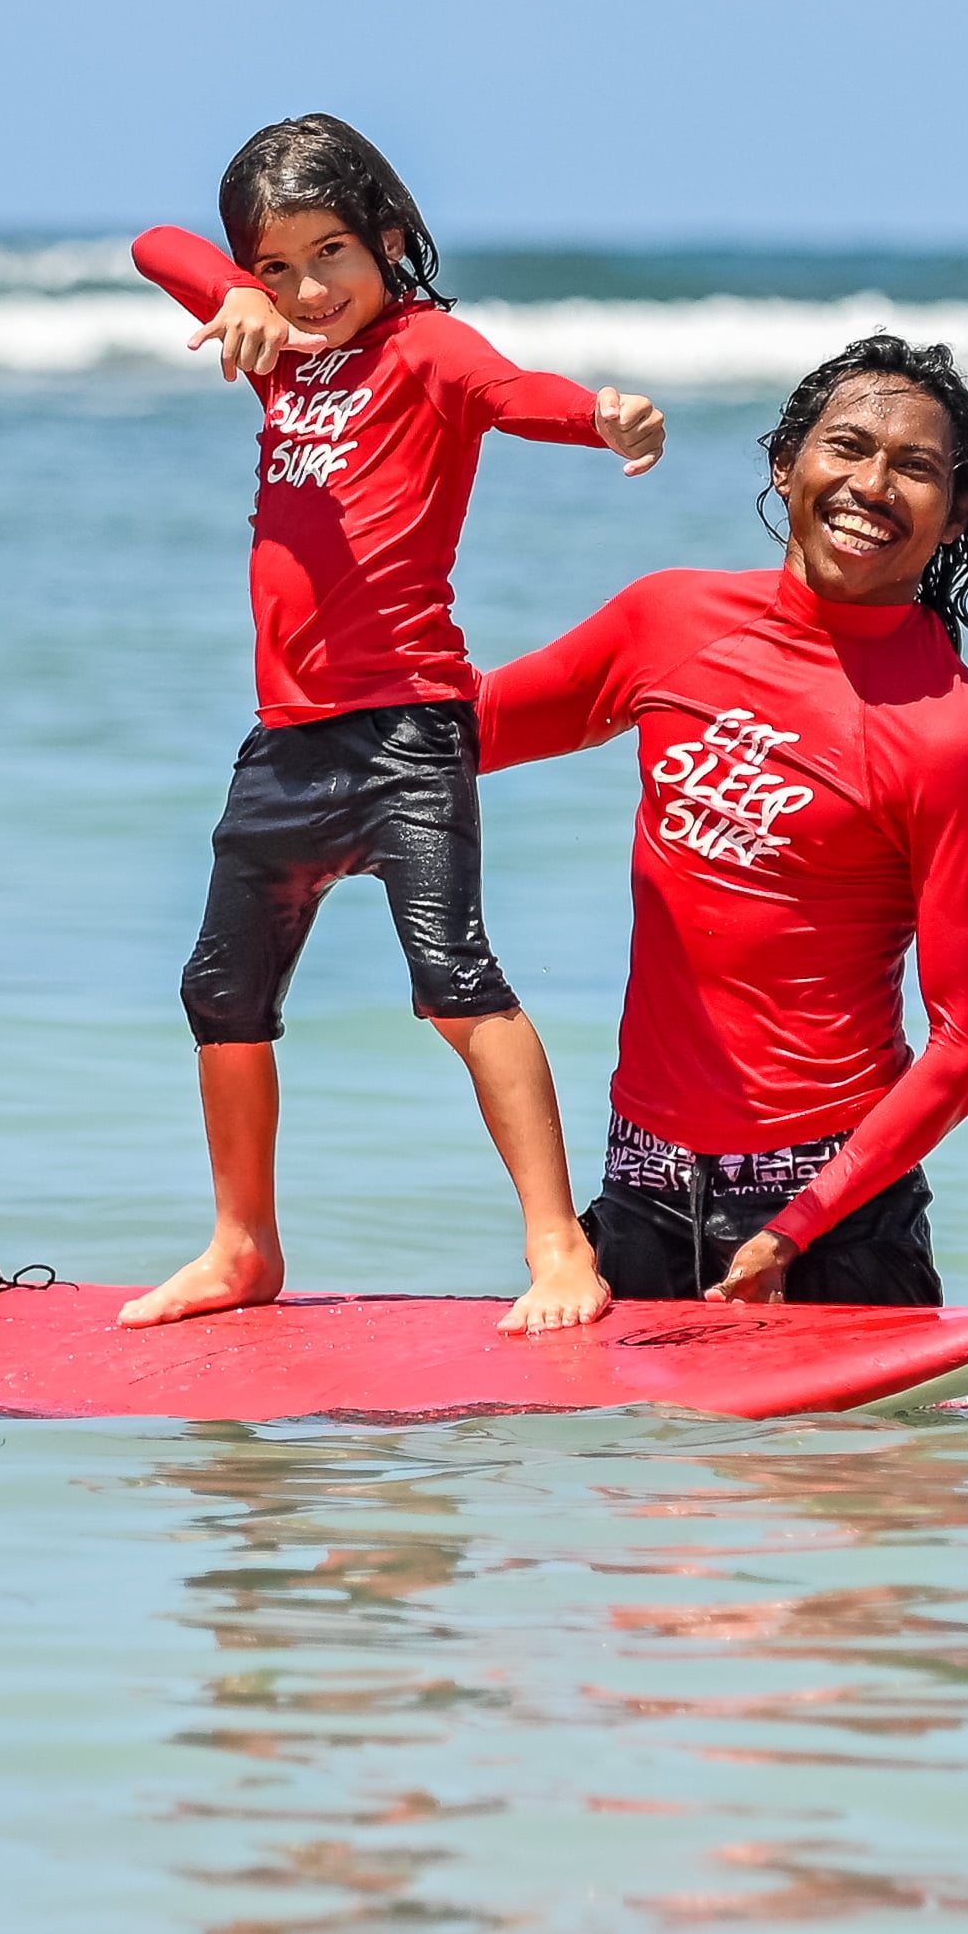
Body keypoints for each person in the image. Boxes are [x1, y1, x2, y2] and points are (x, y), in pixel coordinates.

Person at [121, 113, 665, 1336]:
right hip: (285, 740)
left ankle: (558, 1243)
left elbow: (513, 392)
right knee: (222, 990)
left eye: (333, 255)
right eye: (276, 266)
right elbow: (157, 243)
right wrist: (231, 298)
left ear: (394, 242)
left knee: (458, 983)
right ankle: (242, 1244)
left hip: (407, 734)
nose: (308, 289)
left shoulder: (425, 349)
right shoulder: (269, 347)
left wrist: (602, 418)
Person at [475, 335, 968, 1308]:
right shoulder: (666, 622)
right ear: (786, 462)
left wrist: (798, 1224)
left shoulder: (959, 741)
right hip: (641, 1190)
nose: (872, 483)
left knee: (841, 1472)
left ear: (959, 513)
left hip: (833, 1222)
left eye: (916, 467)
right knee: (609, 1464)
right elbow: (450, 737)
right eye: (847, 447)